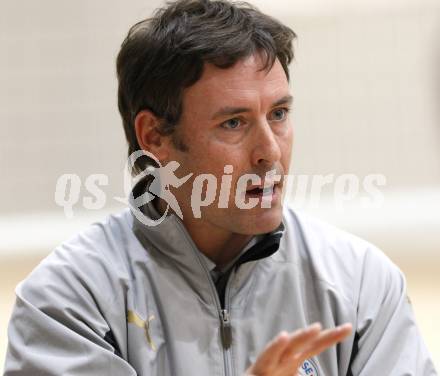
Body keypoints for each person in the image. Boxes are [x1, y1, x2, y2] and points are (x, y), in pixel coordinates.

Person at [4, 0, 437, 375]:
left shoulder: (361, 284)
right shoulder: (69, 302)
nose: (269, 151)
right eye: (234, 123)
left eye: (280, 114)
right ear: (154, 136)